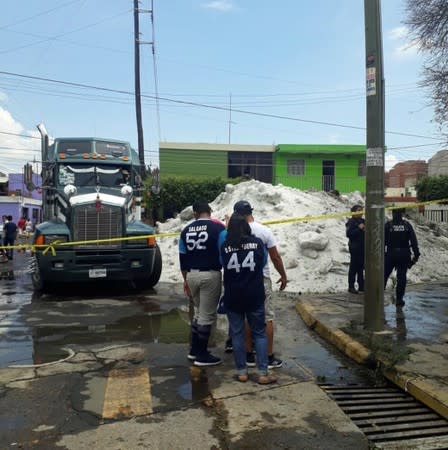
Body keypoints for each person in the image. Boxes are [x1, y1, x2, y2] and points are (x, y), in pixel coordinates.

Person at [219, 213, 277, 384]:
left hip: (233, 295)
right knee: (259, 333)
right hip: (254, 294)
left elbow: (223, 265)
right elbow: (262, 263)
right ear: (246, 226)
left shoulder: (225, 246)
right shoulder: (257, 244)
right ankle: (262, 373)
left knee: (237, 334)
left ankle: (242, 372)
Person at [232, 200, 287, 369]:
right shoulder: (263, 230)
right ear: (251, 212)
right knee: (267, 317)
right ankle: (269, 357)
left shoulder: (231, 232)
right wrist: (283, 275)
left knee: (248, 317)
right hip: (261, 279)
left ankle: (248, 356)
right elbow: (275, 257)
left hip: (240, 279)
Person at [179, 200, 225, 366]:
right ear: (209, 211)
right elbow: (224, 253)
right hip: (210, 275)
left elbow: (182, 259)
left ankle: (194, 350)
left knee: (198, 313)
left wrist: (186, 280)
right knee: (206, 316)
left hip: (191, 275)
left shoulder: (185, 230)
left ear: (195, 213)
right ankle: (202, 355)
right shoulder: (218, 228)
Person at [384, 208, 420, 309]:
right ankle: (399, 299)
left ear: (393, 213)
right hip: (404, 254)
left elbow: (382, 241)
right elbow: (413, 241)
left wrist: (382, 254)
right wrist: (416, 254)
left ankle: (378, 296)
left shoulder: (388, 225)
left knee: (384, 275)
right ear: (402, 214)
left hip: (391, 253)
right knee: (401, 277)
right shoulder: (406, 225)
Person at [346, 204, 365, 294]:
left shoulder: (363, 221)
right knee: (354, 267)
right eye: (358, 210)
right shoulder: (351, 222)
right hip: (355, 247)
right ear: (353, 212)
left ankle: (361, 285)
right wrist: (359, 228)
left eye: (361, 210)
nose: (360, 212)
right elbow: (349, 234)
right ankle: (351, 286)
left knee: (361, 267)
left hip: (363, 247)